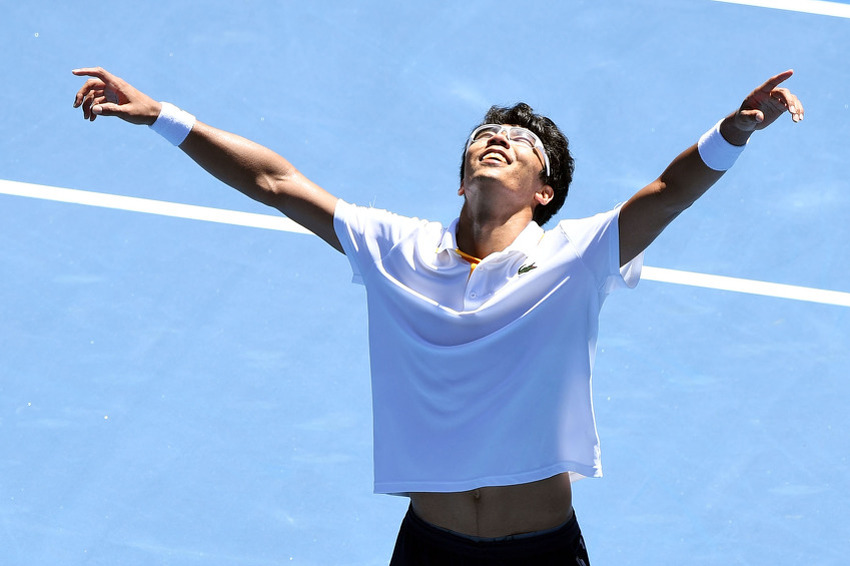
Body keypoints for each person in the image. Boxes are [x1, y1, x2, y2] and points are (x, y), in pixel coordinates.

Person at [72, 67, 803, 565]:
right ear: (461, 178)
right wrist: (162, 116)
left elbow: (668, 191)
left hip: (540, 548)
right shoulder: (393, 247)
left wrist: (732, 133)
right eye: (485, 139)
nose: (497, 141)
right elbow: (274, 180)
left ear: (544, 192)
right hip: (430, 546)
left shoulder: (581, 254)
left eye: (522, 146)